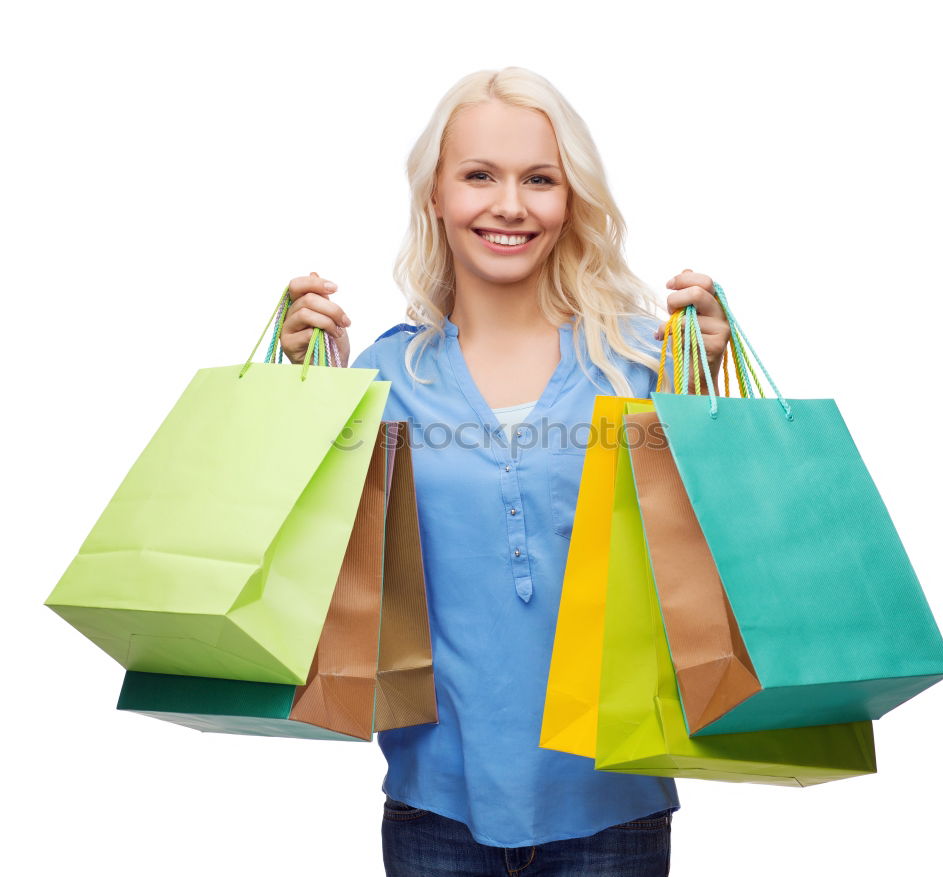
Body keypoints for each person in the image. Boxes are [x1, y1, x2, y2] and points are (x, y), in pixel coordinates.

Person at [280, 66, 731, 877]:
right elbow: (319, 580)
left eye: (539, 180)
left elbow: (714, 558)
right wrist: (308, 399)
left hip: (614, 809)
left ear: (571, 200)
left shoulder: (639, 363)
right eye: (480, 175)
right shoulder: (384, 377)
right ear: (436, 198)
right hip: (434, 808)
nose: (511, 205)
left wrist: (702, 393)